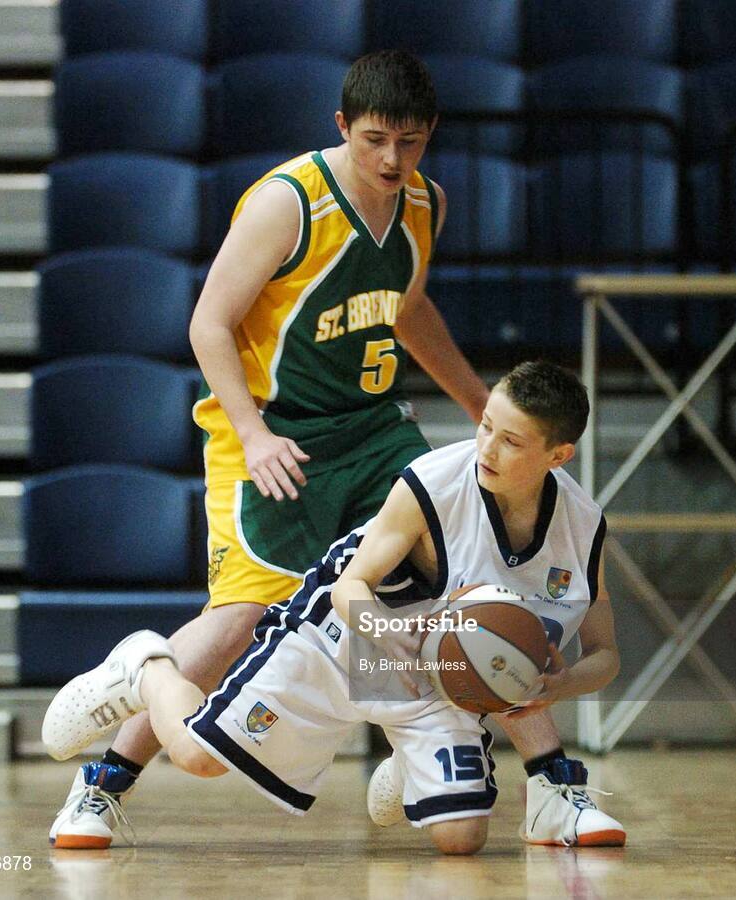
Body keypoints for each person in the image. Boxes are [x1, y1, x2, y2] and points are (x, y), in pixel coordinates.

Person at [47, 49, 490, 848]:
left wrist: (479, 403)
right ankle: (102, 779)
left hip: (372, 427)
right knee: (239, 623)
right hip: (275, 431)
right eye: (376, 140)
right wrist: (253, 435)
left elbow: (408, 306)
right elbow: (207, 324)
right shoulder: (290, 203)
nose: (393, 160)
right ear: (341, 128)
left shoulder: (427, 202)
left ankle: (440, 753)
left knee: (437, 582)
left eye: (412, 142)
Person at [43, 362, 625, 853]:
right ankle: (146, 670)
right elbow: (351, 586)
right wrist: (387, 631)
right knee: (197, 757)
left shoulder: (582, 527)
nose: (486, 448)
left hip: (434, 667)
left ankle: (420, 763)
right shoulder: (433, 481)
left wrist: (559, 683)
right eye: (485, 426)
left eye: (511, 441)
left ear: (559, 454)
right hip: (343, 635)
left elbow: (605, 655)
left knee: (462, 838)